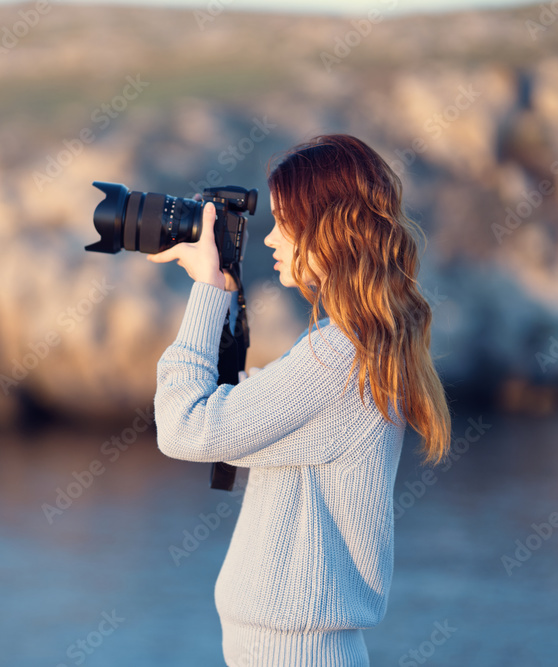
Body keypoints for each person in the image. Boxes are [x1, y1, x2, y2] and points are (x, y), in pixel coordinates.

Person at [147, 134, 451, 666]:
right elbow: (249, 430)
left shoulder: (338, 355)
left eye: (285, 222)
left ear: (328, 230)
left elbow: (184, 428)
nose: (270, 240)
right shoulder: (348, 347)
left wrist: (207, 293)